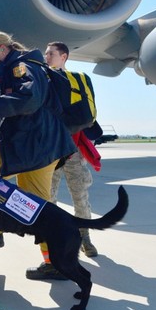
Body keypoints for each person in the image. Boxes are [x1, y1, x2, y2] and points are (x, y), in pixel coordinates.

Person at [0, 31, 76, 270]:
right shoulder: (13, 69)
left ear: (3, 48)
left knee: (37, 208)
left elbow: (29, 100)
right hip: (18, 142)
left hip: (37, 148)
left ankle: (56, 264)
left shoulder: (23, 67)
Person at [25, 41, 101, 281]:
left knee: (80, 196)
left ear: (64, 56)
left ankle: (85, 238)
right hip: (50, 151)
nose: (46, 56)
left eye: (50, 53)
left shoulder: (76, 81)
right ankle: (58, 244)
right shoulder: (41, 81)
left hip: (74, 151)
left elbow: (88, 114)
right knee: (50, 199)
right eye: (45, 52)